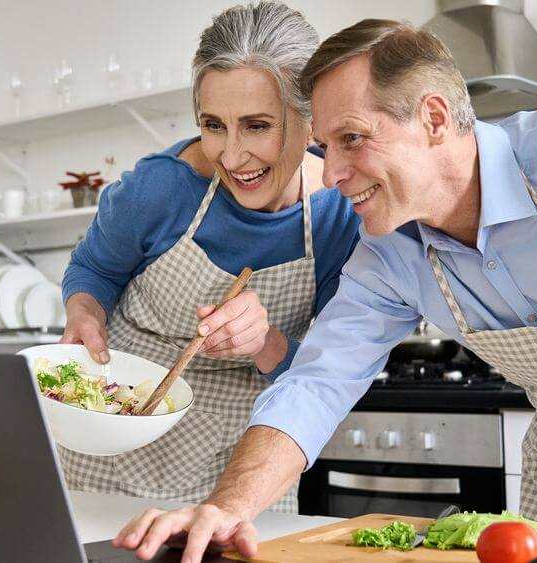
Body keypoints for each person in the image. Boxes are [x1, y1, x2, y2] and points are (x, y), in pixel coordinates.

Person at [113, 17, 537, 562]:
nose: (333, 170)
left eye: (352, 139)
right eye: (325, 146)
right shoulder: (388, 252)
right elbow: (317, 382)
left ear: (435, 118)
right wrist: (228, 506)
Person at [59, 2, 359, 514]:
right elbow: (94, 269)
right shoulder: (159, 188)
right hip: (114, 452)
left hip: (243, 468)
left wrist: (264, 342)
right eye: (213, 125)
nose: (231, 155)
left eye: (258, 126)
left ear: (313, 122)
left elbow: (324, 375)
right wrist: (84, 312)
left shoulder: (338, 218)